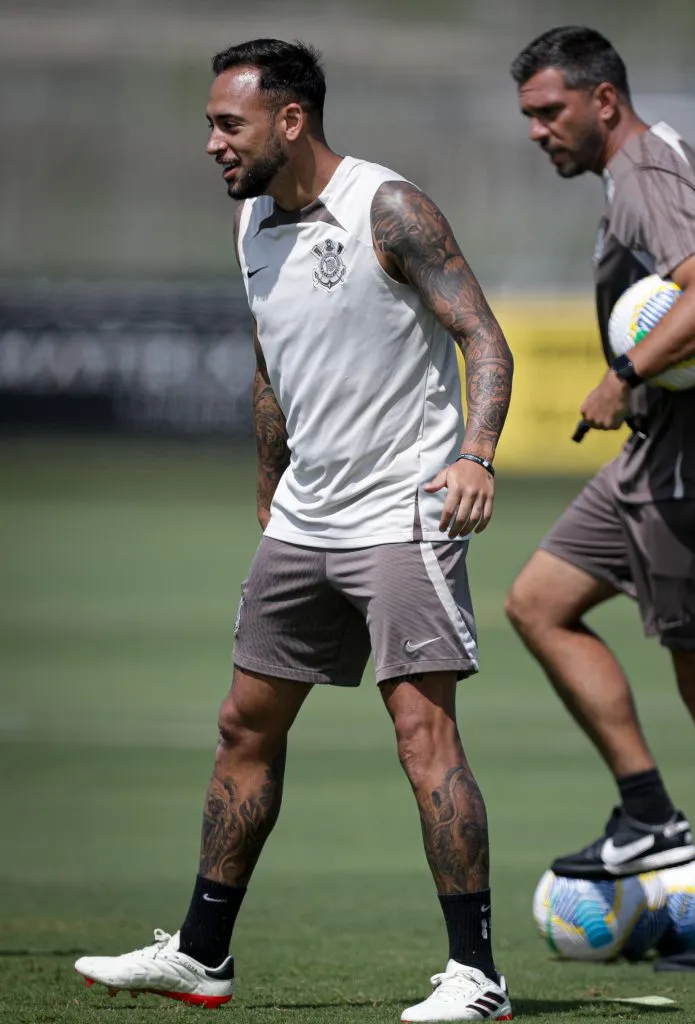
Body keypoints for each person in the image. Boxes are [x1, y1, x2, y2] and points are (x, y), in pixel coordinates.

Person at [74, 38, 515, 1020]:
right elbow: (272, 361)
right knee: (244, 725)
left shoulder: (388, 207)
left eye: (226, 124)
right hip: (306, 517)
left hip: (404, 507)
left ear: (290, 120)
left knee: (422, 733)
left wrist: (474, 456)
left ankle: (476, 977)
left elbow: (482, 336)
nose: (210, 144)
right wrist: (271, 482)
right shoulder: (249, 224)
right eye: (207, 125)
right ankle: (202, 954)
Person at [505, 26, 695, 973]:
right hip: (658, 458)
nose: (538, 131)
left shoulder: (643, 175)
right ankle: (647, 814)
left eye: (550, 111)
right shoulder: (646, 163)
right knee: (537, 602)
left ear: (602, 100)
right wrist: (644, 386)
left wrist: (623, 368)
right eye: (528, 116)